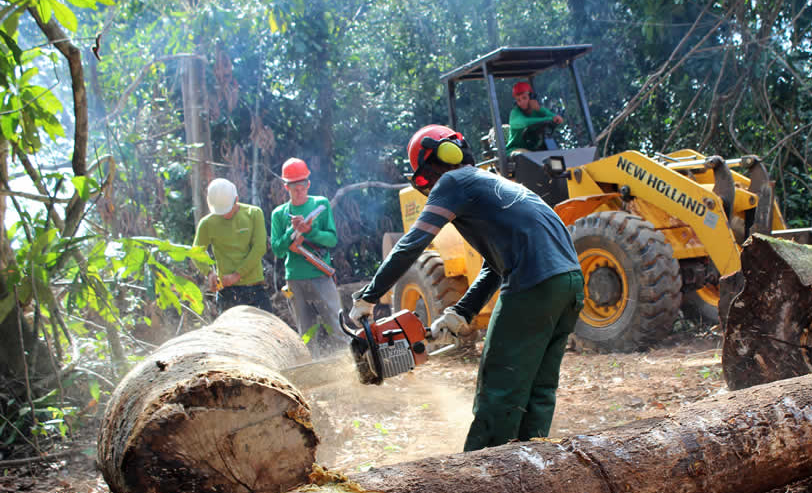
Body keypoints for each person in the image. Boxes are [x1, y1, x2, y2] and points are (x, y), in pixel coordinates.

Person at [351, 124, 583, 452]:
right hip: (570, 282)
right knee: (539, 387)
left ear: (428, 168)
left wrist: (369, 297)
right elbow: (495, 265)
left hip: (533, 282)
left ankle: (484, 466)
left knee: (499, 385)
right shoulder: (492, 182)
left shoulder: (452, 182)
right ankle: (534, 459)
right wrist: (461, 312)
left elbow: (412, 244)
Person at [270, 157, 346, 354]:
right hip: (295, 278)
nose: (299, 190)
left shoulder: (320, 204)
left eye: (302, 185)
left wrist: (310, 231)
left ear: (308, 184)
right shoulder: (279, 214)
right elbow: (277, 249)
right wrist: (291, 231)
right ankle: (313, 366)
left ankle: (349, 363)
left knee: (337, 327)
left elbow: (331, 240)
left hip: (320, 274)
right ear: (286, 186)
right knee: (307, 335)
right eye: (294, 186)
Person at [193, 178, 273, 313]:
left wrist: (237, 274)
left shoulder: (253, 214)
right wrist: (209, 273)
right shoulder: (207, 223)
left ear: (236, 199)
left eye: (227, 210)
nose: (224, 215)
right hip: (227, 292)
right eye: (221, 212)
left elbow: (259, 248)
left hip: (255, 288)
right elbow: (196, 252)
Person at [506, 81, 564, 152]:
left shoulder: (539, 111)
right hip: (515, 150)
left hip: (535, 151)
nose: (522, 102)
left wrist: (540, 110)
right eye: (518, 100)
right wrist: (549, 119)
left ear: (531, 97)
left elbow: (557, 119)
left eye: (524, 98)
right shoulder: (515, 113)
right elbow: (525, 122)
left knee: (556, 154)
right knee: (524, 155)